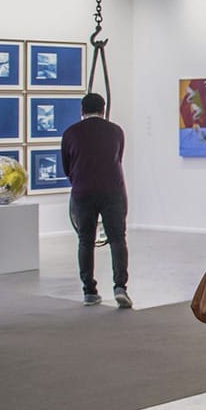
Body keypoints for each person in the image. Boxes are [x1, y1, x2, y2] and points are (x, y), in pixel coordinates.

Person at [60, 92, 130, 308]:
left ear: (82, 110)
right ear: (103, 109)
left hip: (83, 191)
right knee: (117, 239)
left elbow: (67, 166)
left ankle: (89, 291)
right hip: (112, 191)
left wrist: (80, 180)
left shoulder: (71, 133)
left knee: (85, 240)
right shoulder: (116, 131)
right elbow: (118, 158)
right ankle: (120, 287)